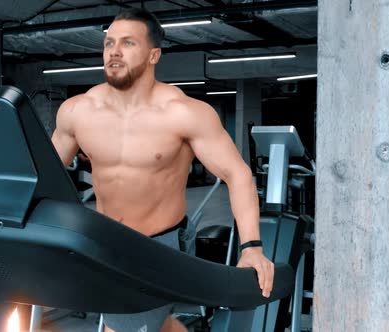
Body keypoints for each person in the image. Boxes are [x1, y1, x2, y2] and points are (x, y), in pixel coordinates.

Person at [51, 8, 274, 332]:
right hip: (104, 241)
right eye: (109, 42)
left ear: (154, 54)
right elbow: (44, 174)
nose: (114, 50)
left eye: (127, 42)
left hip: (161, 244)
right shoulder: (76, 111)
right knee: (156, 325)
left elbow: (237, 173)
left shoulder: (184, 113)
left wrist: (251, 247)